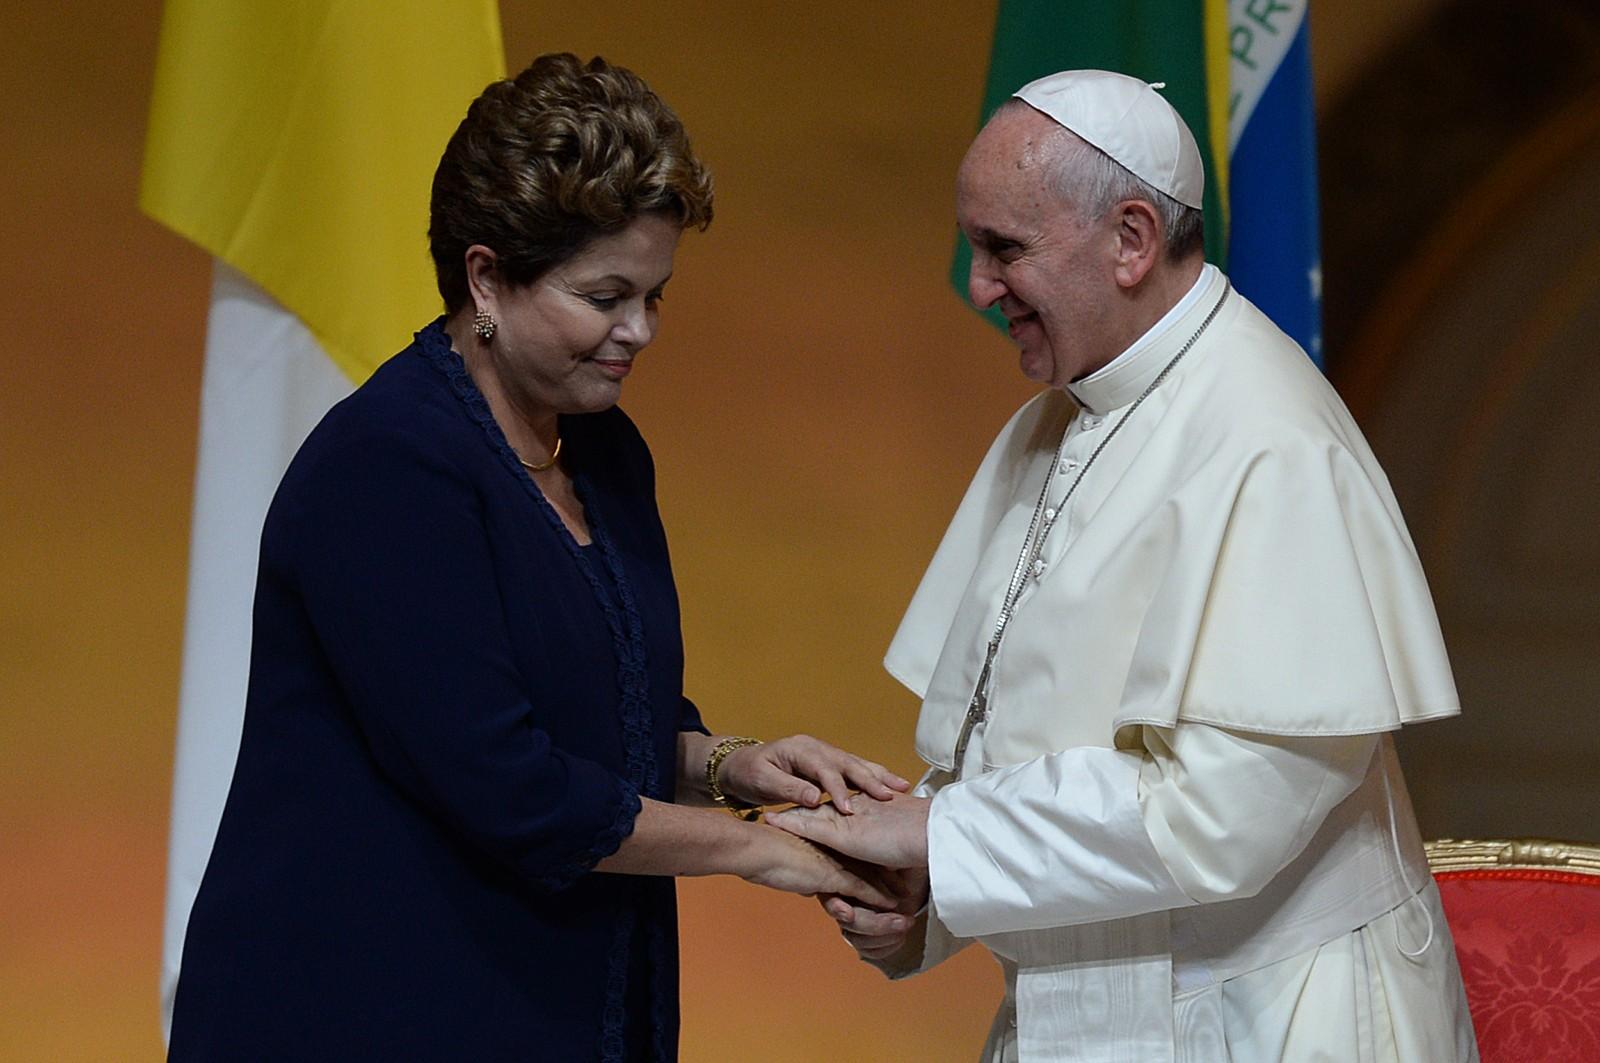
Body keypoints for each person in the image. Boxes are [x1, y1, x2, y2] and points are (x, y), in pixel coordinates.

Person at [167, 53, 905, 1063]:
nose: (637, 331)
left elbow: (591, 723)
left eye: (655, 295)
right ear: (486, 277)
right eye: (605, 295)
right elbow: (511, 788)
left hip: (559, 1005)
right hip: (369, 1016)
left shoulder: (601, 452)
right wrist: (763, 850)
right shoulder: (386, 471)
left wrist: (734, 765)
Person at [771, 70, 1478, 1061]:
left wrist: (939, 837)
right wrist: (925, 896)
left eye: (1004, 249)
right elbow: (1021, 737)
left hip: (1266, 1020)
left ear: (1132, 239)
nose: (977, 288)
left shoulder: (1267, 438)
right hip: (1093, 1009)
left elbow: (1227, 809)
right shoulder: (1061, 419)